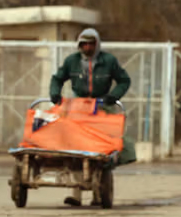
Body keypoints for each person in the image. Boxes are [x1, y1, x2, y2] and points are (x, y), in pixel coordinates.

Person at [49, 28, 134, 206]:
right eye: (84, 43)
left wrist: (113, 96)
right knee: (76, 147)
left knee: (103, 149)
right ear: (79, 45)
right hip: (78, 108)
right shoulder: (71, 61)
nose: (87, 47)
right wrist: (55, 94)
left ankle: (98, 193)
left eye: (91, 43)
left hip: (101, 107)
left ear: (97, 44)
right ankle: (76, 194)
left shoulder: (108, 61)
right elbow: (57, 78)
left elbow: (124, 80)